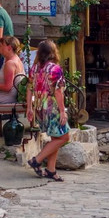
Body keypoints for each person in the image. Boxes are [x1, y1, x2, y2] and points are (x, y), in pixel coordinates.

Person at [27, 39, 70, 182]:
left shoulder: (35, 68)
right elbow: (58, 92)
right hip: (53, 109)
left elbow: (29, 88)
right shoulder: (55, 69)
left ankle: (51, 170)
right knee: (64, 137)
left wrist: (29, 108)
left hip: (40, 108)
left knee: (56, 138)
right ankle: (37, 160)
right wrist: (63, 111)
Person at [0, 35, 25, 104]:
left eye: (1, 45)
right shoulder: (15, 58)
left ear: (9, 48)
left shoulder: (10, 63)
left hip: (7, 97)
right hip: (6, 95)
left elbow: (7, 87)